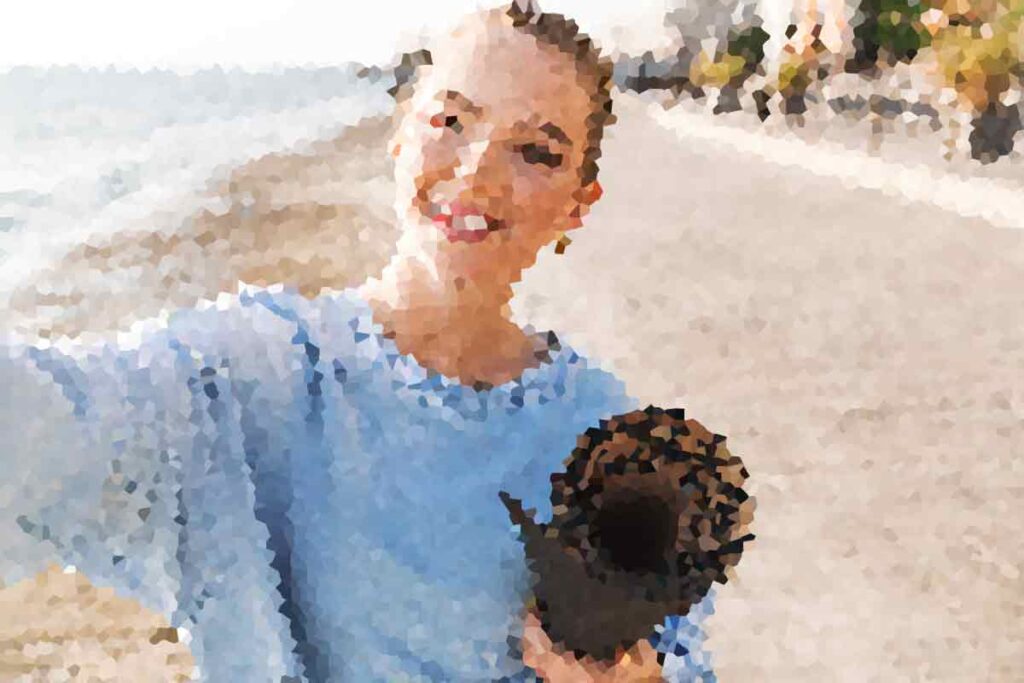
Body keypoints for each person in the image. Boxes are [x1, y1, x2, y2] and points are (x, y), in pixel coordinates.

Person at [0, 3, 717, 680]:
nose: (475, 171)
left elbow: (679, 651)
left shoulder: (607, 435)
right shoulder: (256, 373)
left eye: (535, 152)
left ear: (577, 206)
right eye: (451, 120)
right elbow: (53, 423)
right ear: (400, 135)